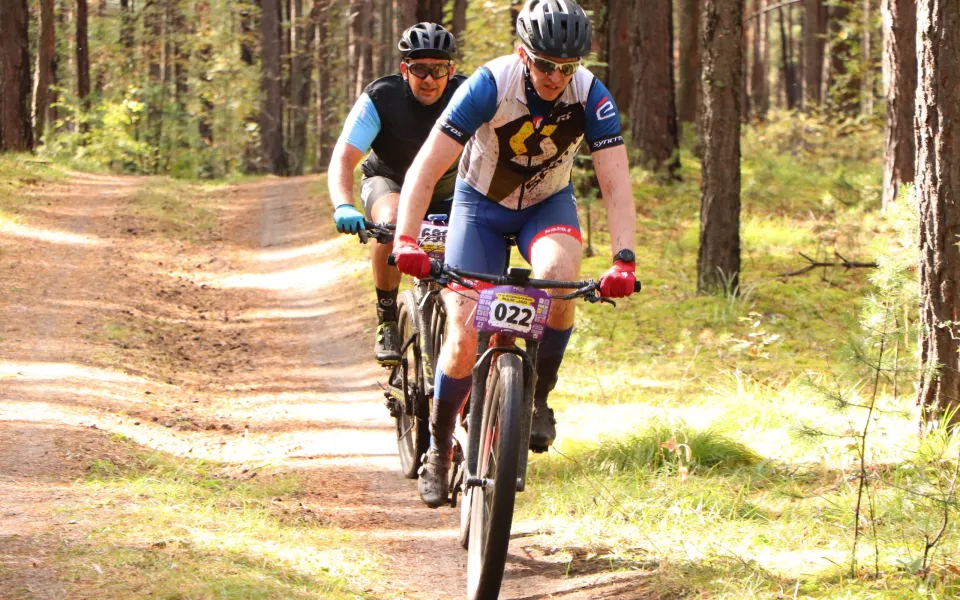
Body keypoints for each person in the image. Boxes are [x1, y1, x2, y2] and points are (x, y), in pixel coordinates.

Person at [391, 0, 639, 508]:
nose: (554, 76)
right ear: (523, 54)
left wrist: (624, 259)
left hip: (547, 205)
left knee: (561, 279)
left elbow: (616, 185)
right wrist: (406, 239)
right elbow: (425, 167)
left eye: (566, 67)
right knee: (463, 330)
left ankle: (538, 397)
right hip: (479, 204)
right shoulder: (489, 84)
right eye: (545, 63)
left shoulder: (592, 95)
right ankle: (439, 449)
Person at [328, 22, 466, 366]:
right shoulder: (381, 97)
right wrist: (344, 204)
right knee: (390, 225)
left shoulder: (467, 95)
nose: (429, 79)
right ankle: (387, 319)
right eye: (420, 68)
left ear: (451, 70)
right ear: (404, 70)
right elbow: (343, 158)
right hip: (391, 183)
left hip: (448, 190)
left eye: (438, 69)